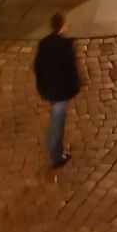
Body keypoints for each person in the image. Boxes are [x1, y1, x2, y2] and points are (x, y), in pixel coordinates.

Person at [33, 12, 81, 170]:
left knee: (56, 115)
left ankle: (52, 145)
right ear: (62, 26)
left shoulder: (44, 43)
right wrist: (76, 87)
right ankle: (56, 157)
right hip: (61, 91)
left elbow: (37, 67)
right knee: (58, 123)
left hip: (48, 89)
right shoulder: (66, 45)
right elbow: (72, 71)